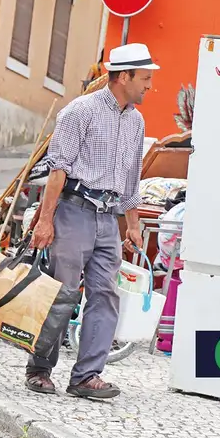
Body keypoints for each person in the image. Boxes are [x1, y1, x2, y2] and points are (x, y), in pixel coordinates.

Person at [26, 43, 157, 399]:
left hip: (108, 219)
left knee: (106, 294)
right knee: (62, 293)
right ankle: (39, 369)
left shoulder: (136, 120)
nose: (149, 85)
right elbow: (58, 171)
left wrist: (132, 224)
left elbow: (131, 177)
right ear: (123, 77)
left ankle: (86, 376)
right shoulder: (79, 112)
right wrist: (45, 221)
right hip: (73, 211)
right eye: (144, 78)